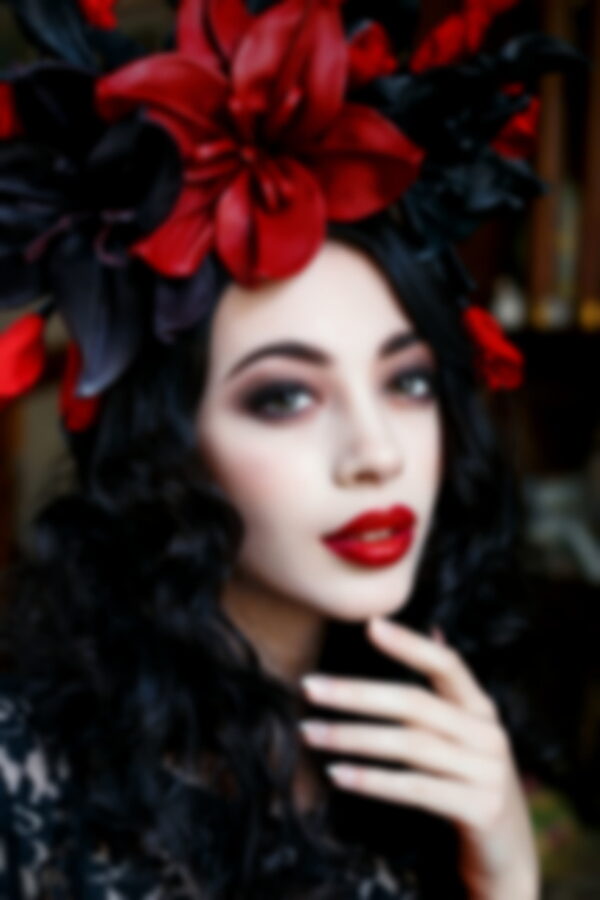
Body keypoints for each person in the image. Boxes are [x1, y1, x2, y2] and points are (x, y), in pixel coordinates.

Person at [0, 0, 579, 897]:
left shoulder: (450, 765)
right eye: (285, 397)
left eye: (408, 382)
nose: (378, 455)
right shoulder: (22, 776)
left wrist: (505, 874)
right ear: (168, 448)